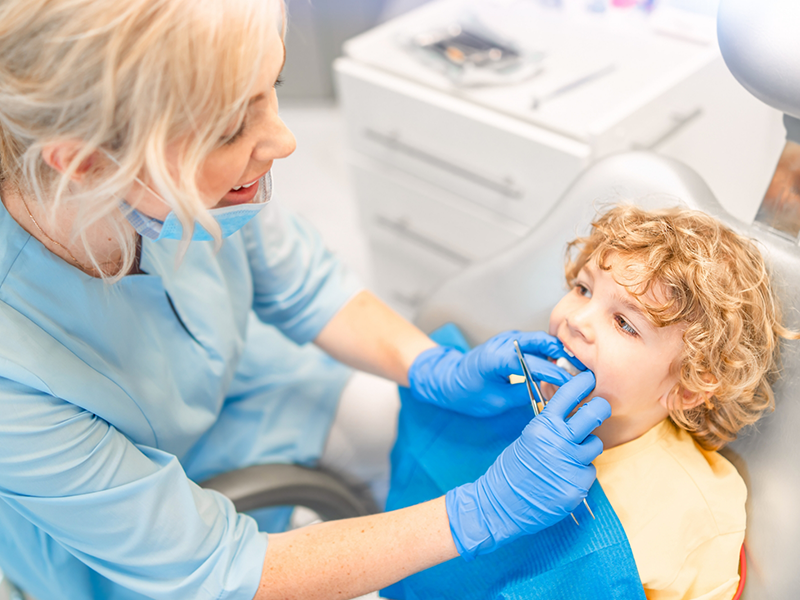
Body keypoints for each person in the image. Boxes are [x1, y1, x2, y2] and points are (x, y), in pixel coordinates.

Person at [0, 1, 611, 599]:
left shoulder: (179, 178)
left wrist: (430, 365)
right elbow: (218, 569)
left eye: (274, 87)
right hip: (118, 538)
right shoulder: (14, 378)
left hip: (251, 395)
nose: (283, 140)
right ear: (85, 162)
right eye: (232, 126)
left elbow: (302, 281)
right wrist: (478, 514)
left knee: (445, 435)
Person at [541, 204, 798, 598]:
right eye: (583, 289)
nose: (577, 319)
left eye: (625, 323)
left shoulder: (691, 516)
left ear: (688, 387)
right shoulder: (509, 386)